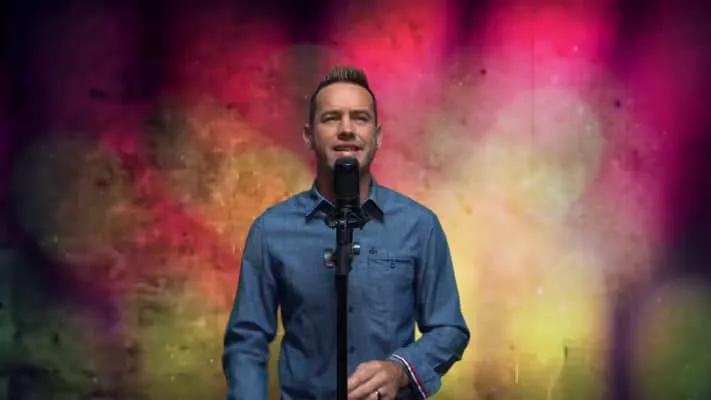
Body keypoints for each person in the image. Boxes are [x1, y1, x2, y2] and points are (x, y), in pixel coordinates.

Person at [222, 66, 470, 400]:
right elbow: (247, 340)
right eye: (331, 118)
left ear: (377, 136)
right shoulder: (270, 230)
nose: (347, 129)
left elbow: (449, 328)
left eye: (360, 118)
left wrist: (401, 369)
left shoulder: (419, 226)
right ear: (308, 136)